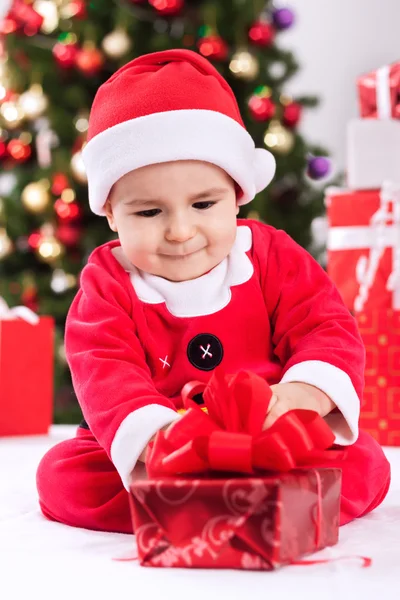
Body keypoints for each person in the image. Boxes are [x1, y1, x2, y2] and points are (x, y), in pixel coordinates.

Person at [36, 49, 390, 534]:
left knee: (365, 463)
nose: (181, 231)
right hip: (165, 443)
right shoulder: (107, 285)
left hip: (269, 429)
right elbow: (105, 371)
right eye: (148, 213)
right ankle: (231, 505)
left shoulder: (271, 255)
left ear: (238, 194)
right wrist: (156, 435)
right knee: (64, 476)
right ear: (111, 214)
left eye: (203, 203)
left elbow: (324, 326)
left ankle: (217, 504)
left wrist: (304, 392)